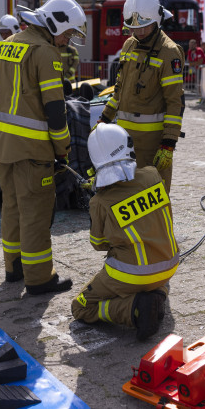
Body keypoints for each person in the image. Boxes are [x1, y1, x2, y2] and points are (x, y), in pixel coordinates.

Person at [0, 0, 86, 295]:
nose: (67, 40)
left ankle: (13, 267)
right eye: (67, 33)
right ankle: (40, 277)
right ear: (54, 22)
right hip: (31, 148)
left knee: (12, 206)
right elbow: (55, 109)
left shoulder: (7, 45)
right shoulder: (45, 53)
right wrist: (63, 148)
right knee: (36, 213)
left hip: (1, 146)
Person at [71, 123, 178, 341]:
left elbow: (98, 244)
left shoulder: (100, 201)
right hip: (169, 265)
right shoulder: (152, 176)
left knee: (80, 307)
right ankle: (157, 293)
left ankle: (134, 309)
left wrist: (98, 202)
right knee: (152, 278)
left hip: (128, 273)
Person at [98, 0, 185, 193]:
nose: (139, 32)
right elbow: (119, 90)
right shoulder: (129, 45)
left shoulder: (169, 52)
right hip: (123, 141)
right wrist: (104, 119)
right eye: (134, 28)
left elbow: (175, 102)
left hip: (152, 143)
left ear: (157, 19)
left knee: (153, 196)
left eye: (145, 26)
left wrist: (168, 143)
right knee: (125, 194)